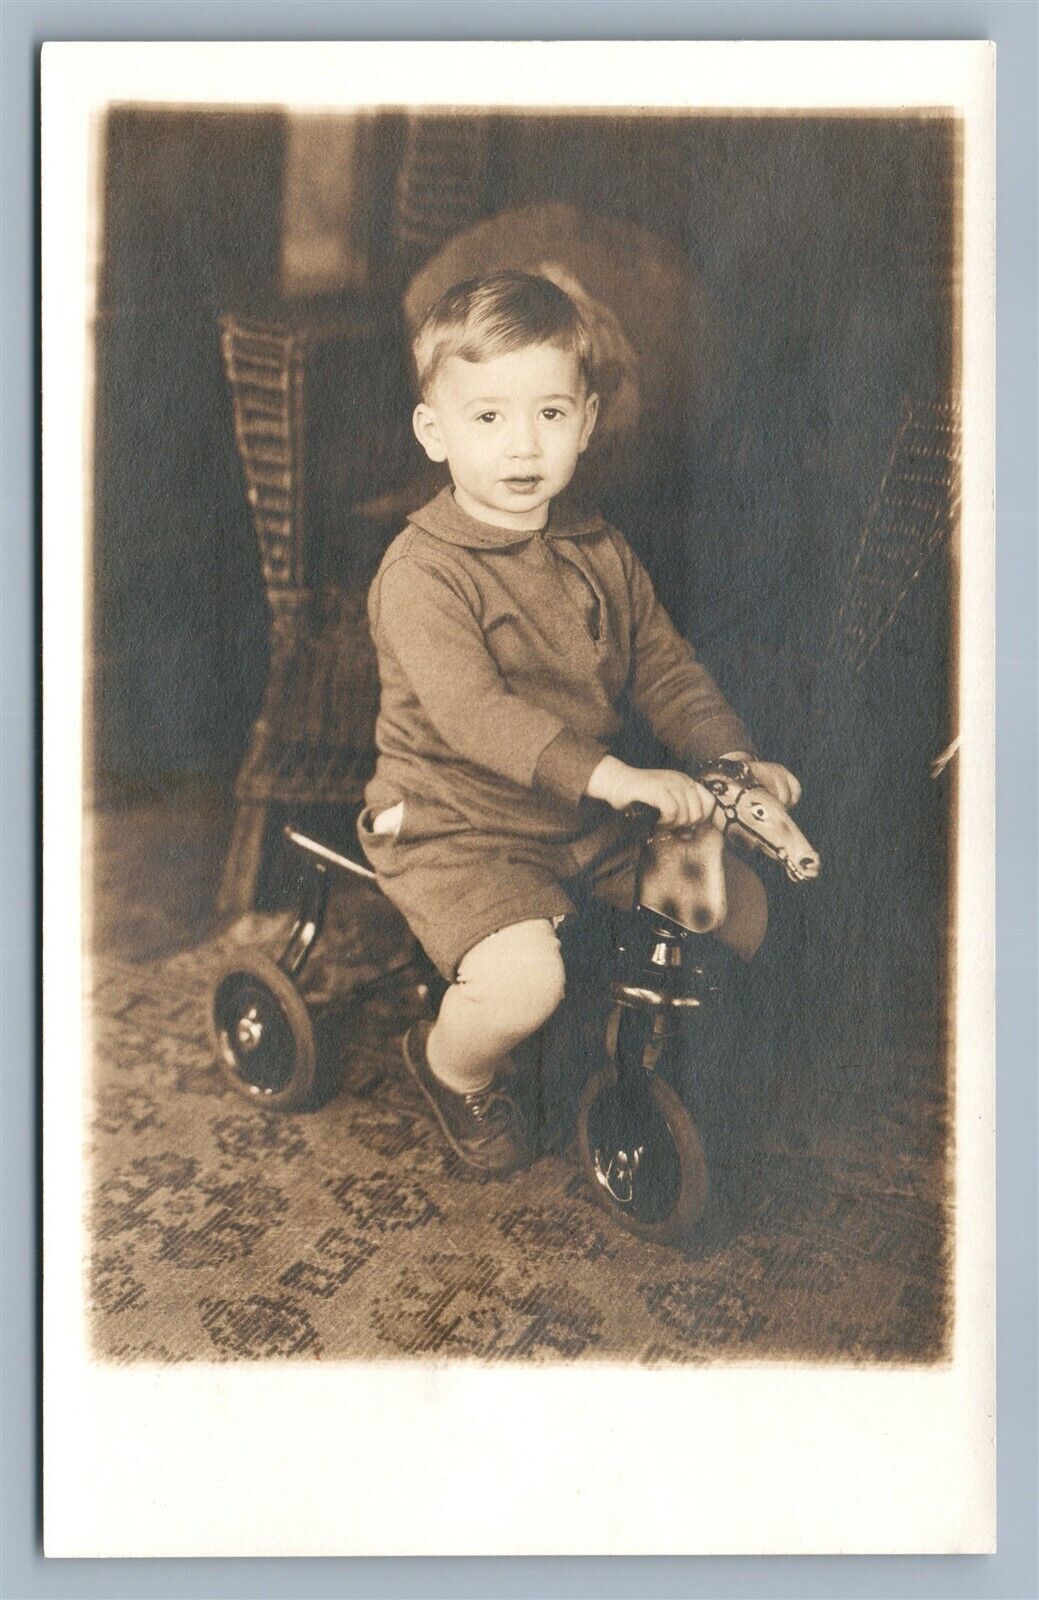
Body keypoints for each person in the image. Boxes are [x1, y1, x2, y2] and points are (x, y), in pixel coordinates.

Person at [357, 270, 802, 1175]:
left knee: (739, 913)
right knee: (525, 982)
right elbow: (474, 715)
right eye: (487, 418)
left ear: (587, 422)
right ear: (433, 433)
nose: (521, 447)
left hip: (581, 819)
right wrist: (617, 778)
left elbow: (665, 668)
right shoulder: (421, 573)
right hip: (460, 826)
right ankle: (452, 1069)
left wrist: (730, 757)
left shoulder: (598, 546)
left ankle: (656, 1057)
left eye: (549, 415)